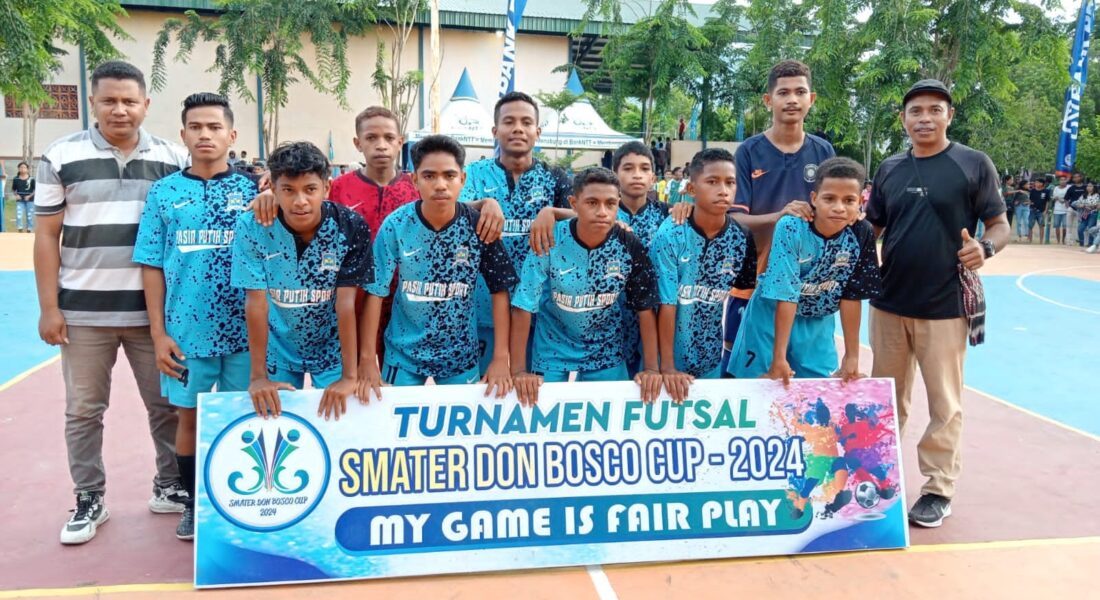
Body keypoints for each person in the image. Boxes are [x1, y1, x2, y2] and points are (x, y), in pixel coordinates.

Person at [34, 60, 189, 545]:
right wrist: (49, 307)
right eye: (109, 100)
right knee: (83, 410)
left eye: (129, 101)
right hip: (83, 312)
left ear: (146, 104)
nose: (119, 109)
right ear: (93, 103)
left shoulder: (174, 158)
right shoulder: (61, 156)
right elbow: (46, 236)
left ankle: (170, 485)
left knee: (166, 406)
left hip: (155, 316)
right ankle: (89, 497)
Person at [865, 79, 1010, 528]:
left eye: (934, 109)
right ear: (903, 119)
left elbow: (1000, 224)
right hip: (888, 302)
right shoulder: (890, 168)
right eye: (916, 111)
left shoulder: (973, 164)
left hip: (945, 305)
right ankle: (878, 477)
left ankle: (937, 489)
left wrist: (985, 247)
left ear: (949, 115)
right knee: (885, 399)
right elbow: (872, 228)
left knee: (944, 404)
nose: (924, 118)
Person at [132, 92, 257, 541]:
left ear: (232, 135)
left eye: (215, 127)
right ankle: (193, 504)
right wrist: (158, 333)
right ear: (182, 134)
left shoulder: (254, 192)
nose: (206, 134)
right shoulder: (164, 193)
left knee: (244, 417)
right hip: (187, 333)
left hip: (247, 332)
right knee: (189, 418)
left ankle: (243, 501)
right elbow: (151, 264)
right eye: (196, 127)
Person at [358, 135, 516, 395]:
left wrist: (501, 357)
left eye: (449, 176)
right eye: (429, 176)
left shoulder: (479, 226)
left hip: (460, 355)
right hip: (403, 353)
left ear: (462, 179)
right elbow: (375, 292)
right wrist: (367, 360)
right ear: (414, 180)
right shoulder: (396, 225)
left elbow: (499, 290)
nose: (440, 185)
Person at [231, 141, 373, 421]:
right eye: (288, 190)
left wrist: (349, 376)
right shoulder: (252, 226)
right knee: (275, 421)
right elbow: (256, 303)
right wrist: (258, 377)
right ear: (273, 189)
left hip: (331, 348)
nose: (300, 201)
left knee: (343, 420)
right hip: (278, 347)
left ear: (326, 188)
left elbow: (345, 304)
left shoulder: (351, 226)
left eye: (310, 189)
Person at [510, 167, 662, 405]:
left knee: (611, 416)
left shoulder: (627, 243)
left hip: (606, 350)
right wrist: (519, 370)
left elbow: (645, 306)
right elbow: (524, 304)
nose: (602, 212)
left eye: (610, 204)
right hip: (552, 348)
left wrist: (652, 368)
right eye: (592, 203)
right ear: (574, 203)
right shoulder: (550, 238)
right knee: (543, 413)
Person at [721, 60, 835, 374]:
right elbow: (733, 219)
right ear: (768, 100)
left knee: (805, 379)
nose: (792, 99)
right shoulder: (748, 151)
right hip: (754, 280)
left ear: (811, 99)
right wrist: (780, 216)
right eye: (783, 92)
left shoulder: (824, 152)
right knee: (743, 374)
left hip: (808, 284)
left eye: (800, 92)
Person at [730, 156, 880, 385]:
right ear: (814, 198)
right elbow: (786, 293)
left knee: (817, 390)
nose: (839, 207)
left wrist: (852, 356)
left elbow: (851, 295)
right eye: (829, 198)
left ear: (860, 201)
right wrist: (778, 357)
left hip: (817, 322)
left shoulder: (862, 232)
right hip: (771, 316)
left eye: (849, 200)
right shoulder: (792, 226)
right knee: (760, 386)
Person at [458, 91, 571, 374]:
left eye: (526, 122)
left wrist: (553, 212)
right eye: (509, 122)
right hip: (481, 308)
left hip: (537, 311)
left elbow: (587, 215)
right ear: (495, 131)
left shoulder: (554, 178)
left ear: (537, 132)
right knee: (484, 392)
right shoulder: (473, 174)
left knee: (527, 390)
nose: (518, 128)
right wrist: (483, 203)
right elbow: (449, 209)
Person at [651, 149, 757, 399]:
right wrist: (667, 366)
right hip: (664, 361)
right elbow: (666, 303)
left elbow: (744, 298)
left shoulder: (742, 237)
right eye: (712, 182)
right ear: (691, 189)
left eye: (730, 182)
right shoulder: (671, 233)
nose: (723, 190)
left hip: (709, 359)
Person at [327, 106, 419, 366]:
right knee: (356, 373)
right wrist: (270, 194)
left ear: (400, 142)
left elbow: (453, 207)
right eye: (371, 138)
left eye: (389, 138)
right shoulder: (338, 188)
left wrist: (484, 203)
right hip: (353, 295)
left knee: (396, 374)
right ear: (358, 143)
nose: (381, 145)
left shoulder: (415, 188)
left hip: (402, 300)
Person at [613, 141, 667, 377]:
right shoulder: (604, 213)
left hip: (654, 315)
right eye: (628, 168)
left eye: (644, 168)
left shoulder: (667, 215)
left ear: (653, 178)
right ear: (615, 175)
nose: (637, 174)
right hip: (612, 318)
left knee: (649, 383)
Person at [12, 161, 35, 232]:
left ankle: (29, 229)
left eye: (24, 167)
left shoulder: (32, 179)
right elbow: (13, 189)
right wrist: (16, 195)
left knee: (29, 215)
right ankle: (20, 228)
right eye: (21, 167)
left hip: (30, 200)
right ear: (18, 169)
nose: (22, 169)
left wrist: (29, 196)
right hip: (20, 200)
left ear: (27, 169)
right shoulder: (16, 179)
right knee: (19, 215)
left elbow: (35, 190)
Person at [1028, 178, 1051, 243]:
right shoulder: (1032, 191)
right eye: (1036, 182)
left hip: (1041, 211)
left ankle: (1041, 241)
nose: (1036, 184)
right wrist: (1029, 203)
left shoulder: (1046, 191)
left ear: (1041, 183)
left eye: (1037, 182)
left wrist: (1045, 210)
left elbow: (1047, 201)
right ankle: (1030, 241)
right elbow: (1030, 200)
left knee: (1041, 226)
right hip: (1032, 210)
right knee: (1030, 226)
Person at [1052, 175, 1071, 245]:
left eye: (1064, 180)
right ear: (1059, 181)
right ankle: (1058, 241)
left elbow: (1070, 196)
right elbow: (1054, 197)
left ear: (1066, 180)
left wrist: (1064, 200)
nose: (1062, 181)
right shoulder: (1056, 188)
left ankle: (1063, 240)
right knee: (1057, 226)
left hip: (1066, 210)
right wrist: (1058, 198)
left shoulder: (1069, 187)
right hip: (1057, 209)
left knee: (1065, 226)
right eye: (1061, 180)